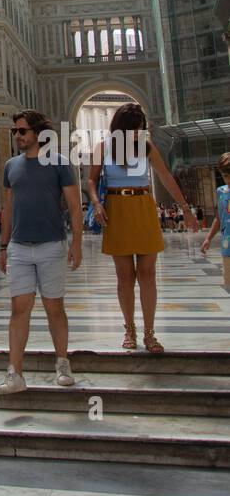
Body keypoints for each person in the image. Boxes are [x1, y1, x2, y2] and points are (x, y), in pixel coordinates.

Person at [87, 102, 197, 353]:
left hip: (143, 207)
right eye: (133, 129)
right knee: (125, 276)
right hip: (117, 209)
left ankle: (149, 333)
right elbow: (91, 180)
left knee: (147, 273)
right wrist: (95, 203)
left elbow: (166, 177)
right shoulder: (103, 148)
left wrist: (186, 209)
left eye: (140, 128)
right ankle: (129, 330)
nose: (137, 133)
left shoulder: (147, 147)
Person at [0, 110, 82, 395]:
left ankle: (62, 363)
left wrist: (77, 244)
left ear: (37, 133)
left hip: (51, 246)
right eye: (15, 132)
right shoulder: (10, 166)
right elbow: (7, 209)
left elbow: (74, 206)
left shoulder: (59, 164)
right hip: (19, 248)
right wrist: (3, 246)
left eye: (22, 131)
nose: (17, 136)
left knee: (54, 308)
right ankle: (15, 374)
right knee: (18, 309)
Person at [200, 154, 230, 286]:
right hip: (227, 244)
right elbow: (218, 218)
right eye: (225, 176)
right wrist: (208, 238)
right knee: (228, 280)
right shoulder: (221, 191)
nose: (228, 179)